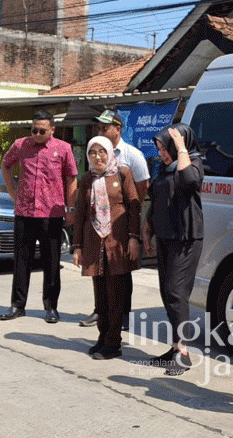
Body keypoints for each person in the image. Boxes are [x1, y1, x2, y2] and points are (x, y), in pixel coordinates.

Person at [0, 110, 78, 323]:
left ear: (52, 129)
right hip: (24, 211)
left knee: (51, 262)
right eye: (34, 130)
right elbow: (5, 165)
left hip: (51, 213)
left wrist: (70, 209)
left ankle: (51, 307)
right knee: (21, 261)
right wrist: (12, 193)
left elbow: (72, 178)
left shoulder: (63, 148)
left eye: (42, 131)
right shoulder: (20, 145)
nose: (37, 134)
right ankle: (17, 305)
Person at [142, 123, 204, 376]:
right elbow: (156, 199)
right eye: (159, 149)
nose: (161, 154)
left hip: (186, 238)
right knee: (167, 293)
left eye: (164, 149)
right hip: (166, 237)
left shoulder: (193, 164)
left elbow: (189, 181)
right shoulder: (164, 169)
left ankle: (184, 352)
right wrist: (147, 228)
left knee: (177, 293)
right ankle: (175, 347)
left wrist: (180, 149)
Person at [72, 136, 141, 359]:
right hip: (94, 244)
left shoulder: (122, 174)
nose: (97, 156)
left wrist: (133, 238)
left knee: (116, 295)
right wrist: (78, 247)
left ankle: (113, 343)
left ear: (110, 153)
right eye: (92, 152)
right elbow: (81, 213)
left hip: (117, 243)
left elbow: (133, 206)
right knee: (100, 296)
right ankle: (102, 338)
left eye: (102, 151)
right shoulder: (87, 179)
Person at [80, 109, 149, 328]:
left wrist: (132, 232)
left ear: (117, 129)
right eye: (98, 128)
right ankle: (101, 316)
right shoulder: (90, 173)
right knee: (101, 276)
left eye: (104, 127)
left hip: (120, 226)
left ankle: (121, 316)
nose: (100, 131)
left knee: (120, 275)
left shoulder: (131, 156)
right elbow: (83, 206)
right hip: (98, 232)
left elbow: (138, 194)